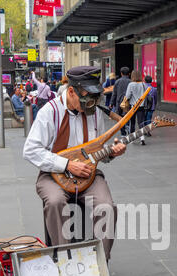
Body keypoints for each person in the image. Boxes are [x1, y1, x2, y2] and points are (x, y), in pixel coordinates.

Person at [23, 66, 126, 263]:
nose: (91, 104)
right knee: (54, 202)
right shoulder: (49, 112)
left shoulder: (94, 113)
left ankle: (99, 266)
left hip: (89, 174)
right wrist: (66, 165)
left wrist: (112, 153)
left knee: (107, 208)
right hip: (53, 175)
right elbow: (30, 150)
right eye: (87, 98)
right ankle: (65, 262)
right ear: (71, 91)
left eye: (95, 98)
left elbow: (99, 152)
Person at [125, 70, 146, 145]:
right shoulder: (143, 84)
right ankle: (142, 138)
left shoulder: (131, 84)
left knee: (132, 123)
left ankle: (132, 139)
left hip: (133, 106)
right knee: (141, 123)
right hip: (141, 106)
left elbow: (127, 96)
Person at [109, 66, 131, 136]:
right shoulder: (131, 82)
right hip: (128, 102)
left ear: (121, 73)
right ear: (129, 74)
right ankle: (127, 125)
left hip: (119, 102)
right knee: (128, 115)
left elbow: (114, 94)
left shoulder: (117, 82)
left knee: (120, 118)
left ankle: (123, 132)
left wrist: (111, 103)